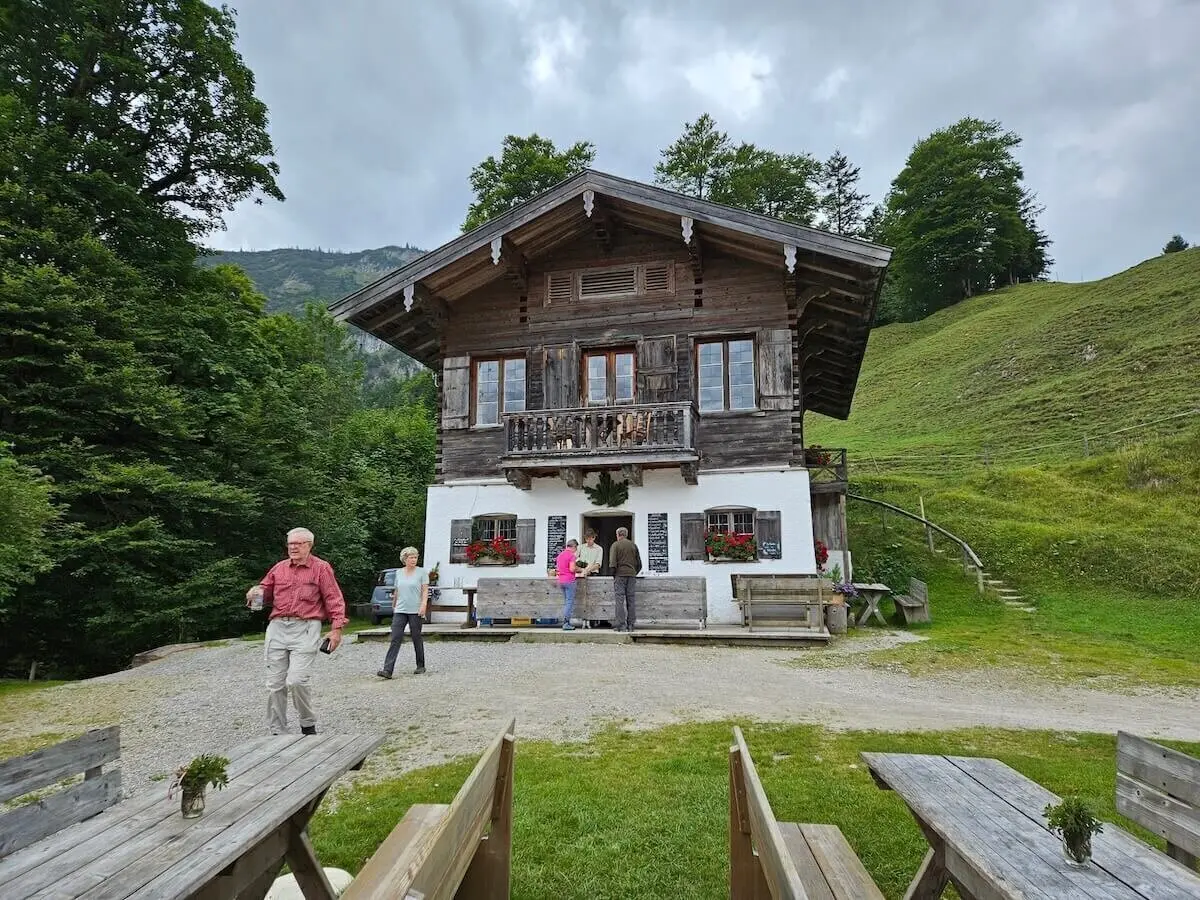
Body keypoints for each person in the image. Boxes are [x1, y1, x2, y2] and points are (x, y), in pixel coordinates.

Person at [247, 527, 347, 736]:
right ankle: (278, 732)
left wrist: (336, 629)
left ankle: (307, 724)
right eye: (290, 543)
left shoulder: (321, 568)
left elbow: (334, 599)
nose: (293, 547)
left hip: (306, 627)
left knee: (297, 680)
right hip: (277, 627)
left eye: (298, 544)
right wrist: (256, 593)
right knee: (275, 684)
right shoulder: (279, 568)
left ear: (309, 545)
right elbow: (264, 592)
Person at [377, 546, 428, 678]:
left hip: (415, 610)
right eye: (411, 557)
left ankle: (420, 665)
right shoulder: (399, 573)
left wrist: (423, 605)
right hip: (400, 609)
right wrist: (394, 605)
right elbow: (397, 590)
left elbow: (425, 591)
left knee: (416, 636)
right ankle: (388, 670)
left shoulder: (422, 572)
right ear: (405, 559)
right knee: (396, 637)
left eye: (415, 557)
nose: (414, 560)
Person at [609, 526, 642, 632]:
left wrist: (614, 575)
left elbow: (612, 563)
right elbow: (639, 564)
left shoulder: (615, 545)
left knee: (619, 600)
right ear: (626, 535)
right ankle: (631, 625)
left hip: (620, 575)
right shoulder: (633, 545)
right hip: (631, 575)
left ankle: (621, 625)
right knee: (631, 600)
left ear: (618, 535)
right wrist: (633, 573)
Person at [556, 538, 582, 631]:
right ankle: (566, 623)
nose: (576, 550)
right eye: (576, 548)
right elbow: (572, 569)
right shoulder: (571, 556)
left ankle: (566, 622)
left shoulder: (560, 555)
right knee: (569, 602)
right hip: (569, 581)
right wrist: (580, 569)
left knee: (566, 602)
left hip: (561, 581)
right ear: (573, 547)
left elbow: (558, 569)